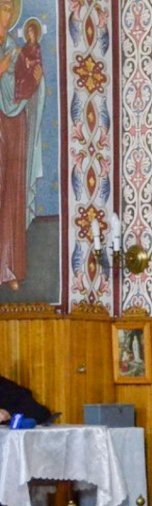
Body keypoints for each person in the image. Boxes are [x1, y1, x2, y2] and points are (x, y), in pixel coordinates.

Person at [0, 0, 44, 292]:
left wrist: (34, 80)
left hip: (12, 122)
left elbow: (21, 82)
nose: (3, 14)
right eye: (0, 8)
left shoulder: (16, 45)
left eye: (7, 9)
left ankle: (9, 266)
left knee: (13, 189)